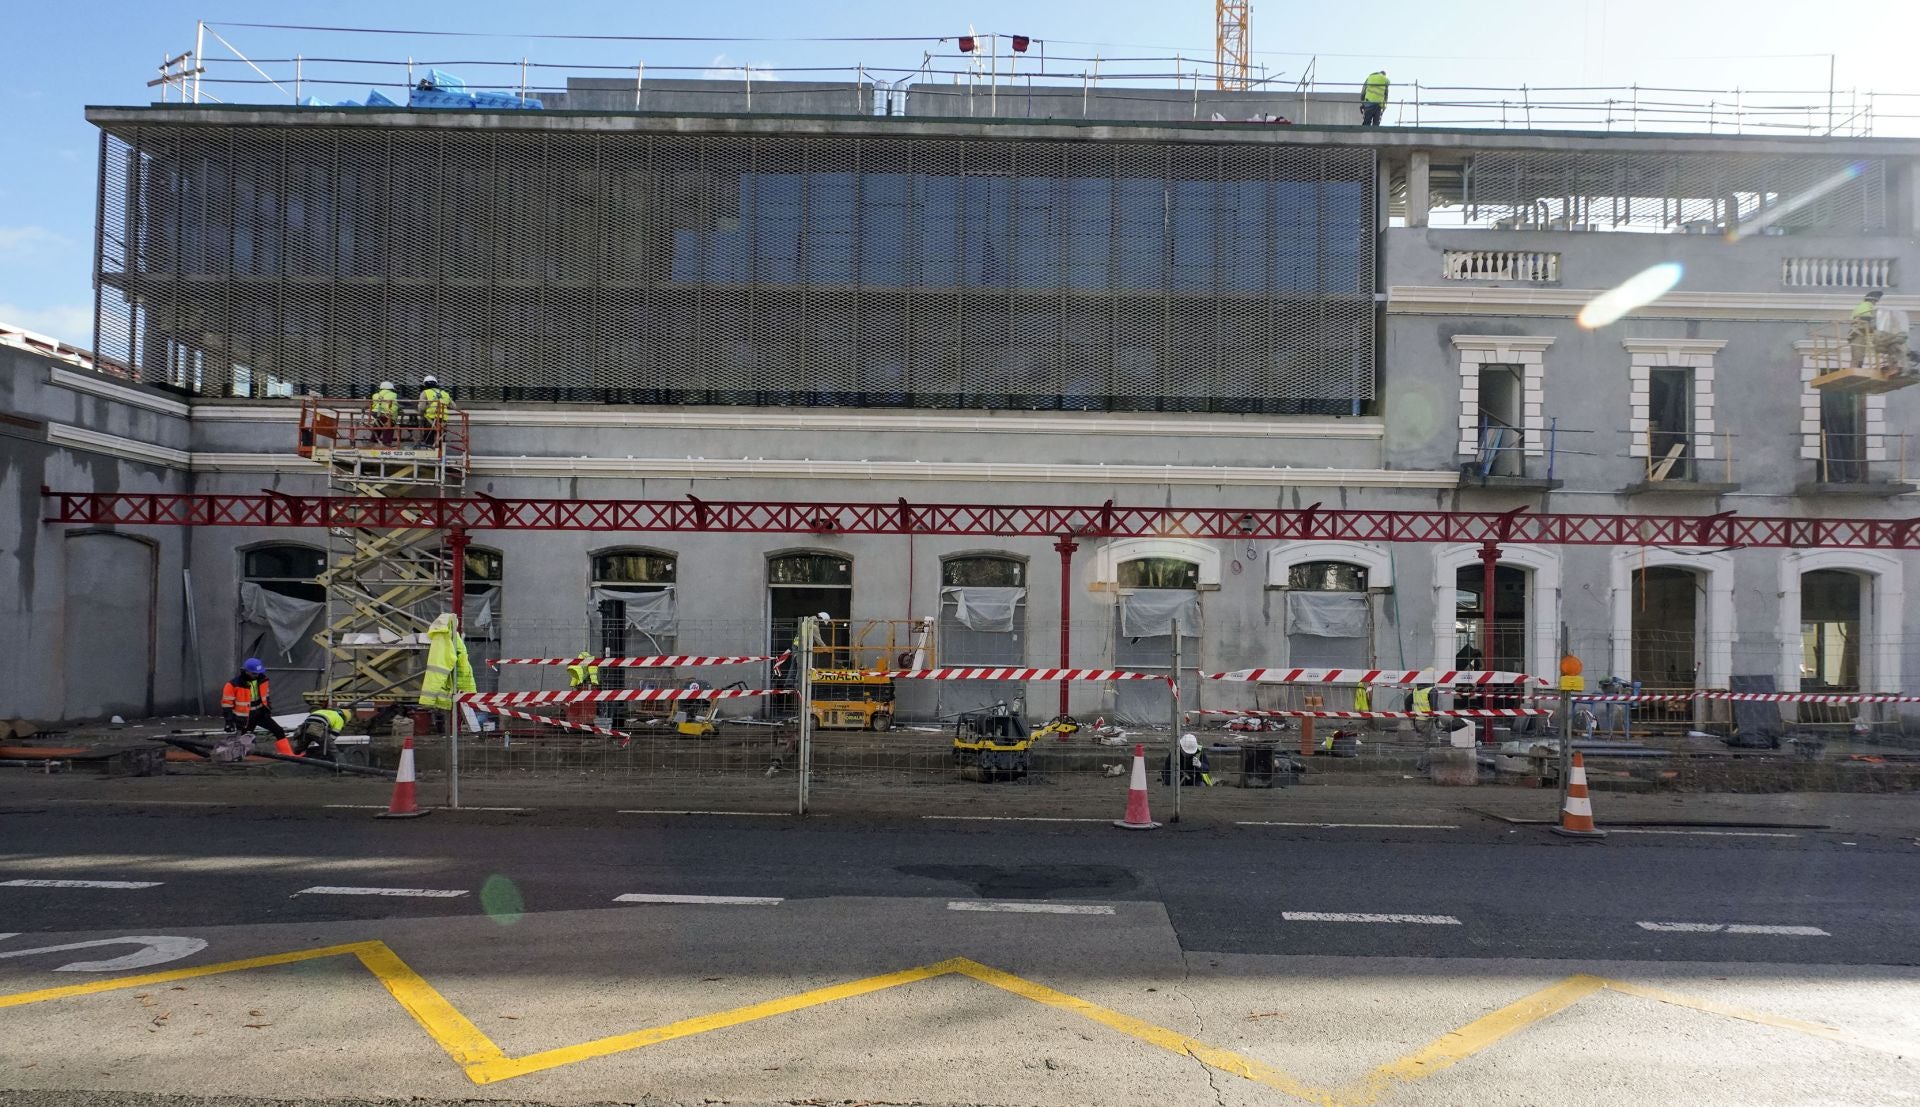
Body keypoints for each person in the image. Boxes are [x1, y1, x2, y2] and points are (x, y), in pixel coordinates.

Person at [1847, 290, 1919, 374]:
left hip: (1862, 332)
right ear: (1873, 300)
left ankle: (1903, 360)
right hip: (1858, 333)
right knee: (1858, 355)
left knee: (1890, 347)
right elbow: (1865, 319)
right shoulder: (1865, 306)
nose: (1875, 302)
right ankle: (1855, 371)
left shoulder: (1866, 307)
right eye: (1875, 301)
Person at [221, 659, 288, 744]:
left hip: (260, 714)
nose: (257, 675)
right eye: (254, 673)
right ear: (246, 671)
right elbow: (227, 705)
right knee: (246, 741)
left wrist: (267, 708)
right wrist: (229, 721)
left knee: (279, 731)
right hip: (245, 718)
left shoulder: (263, 680)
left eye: (258, 673)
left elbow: (266, 696)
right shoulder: (233, 685)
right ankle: (244, 755)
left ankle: (288, 754)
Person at [417, 375, 453, 447]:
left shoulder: (425, 393)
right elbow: (453, 406)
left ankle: (429, 449)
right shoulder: (444, 393)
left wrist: (421, 415)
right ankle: (440, 450)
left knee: (429, 436)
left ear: (425, 384)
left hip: (430, 418)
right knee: (440, 436)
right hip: (443, 419)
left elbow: (421, 408)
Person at [368, 380, 400, 446]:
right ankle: (386, 443)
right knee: (389, 425)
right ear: (391, 388)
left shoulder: (375, 395)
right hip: (386, 415)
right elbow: (407, 403)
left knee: (378, 424)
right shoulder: (394, 395)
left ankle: (373, 441)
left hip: (375, 414)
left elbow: (373, 404)